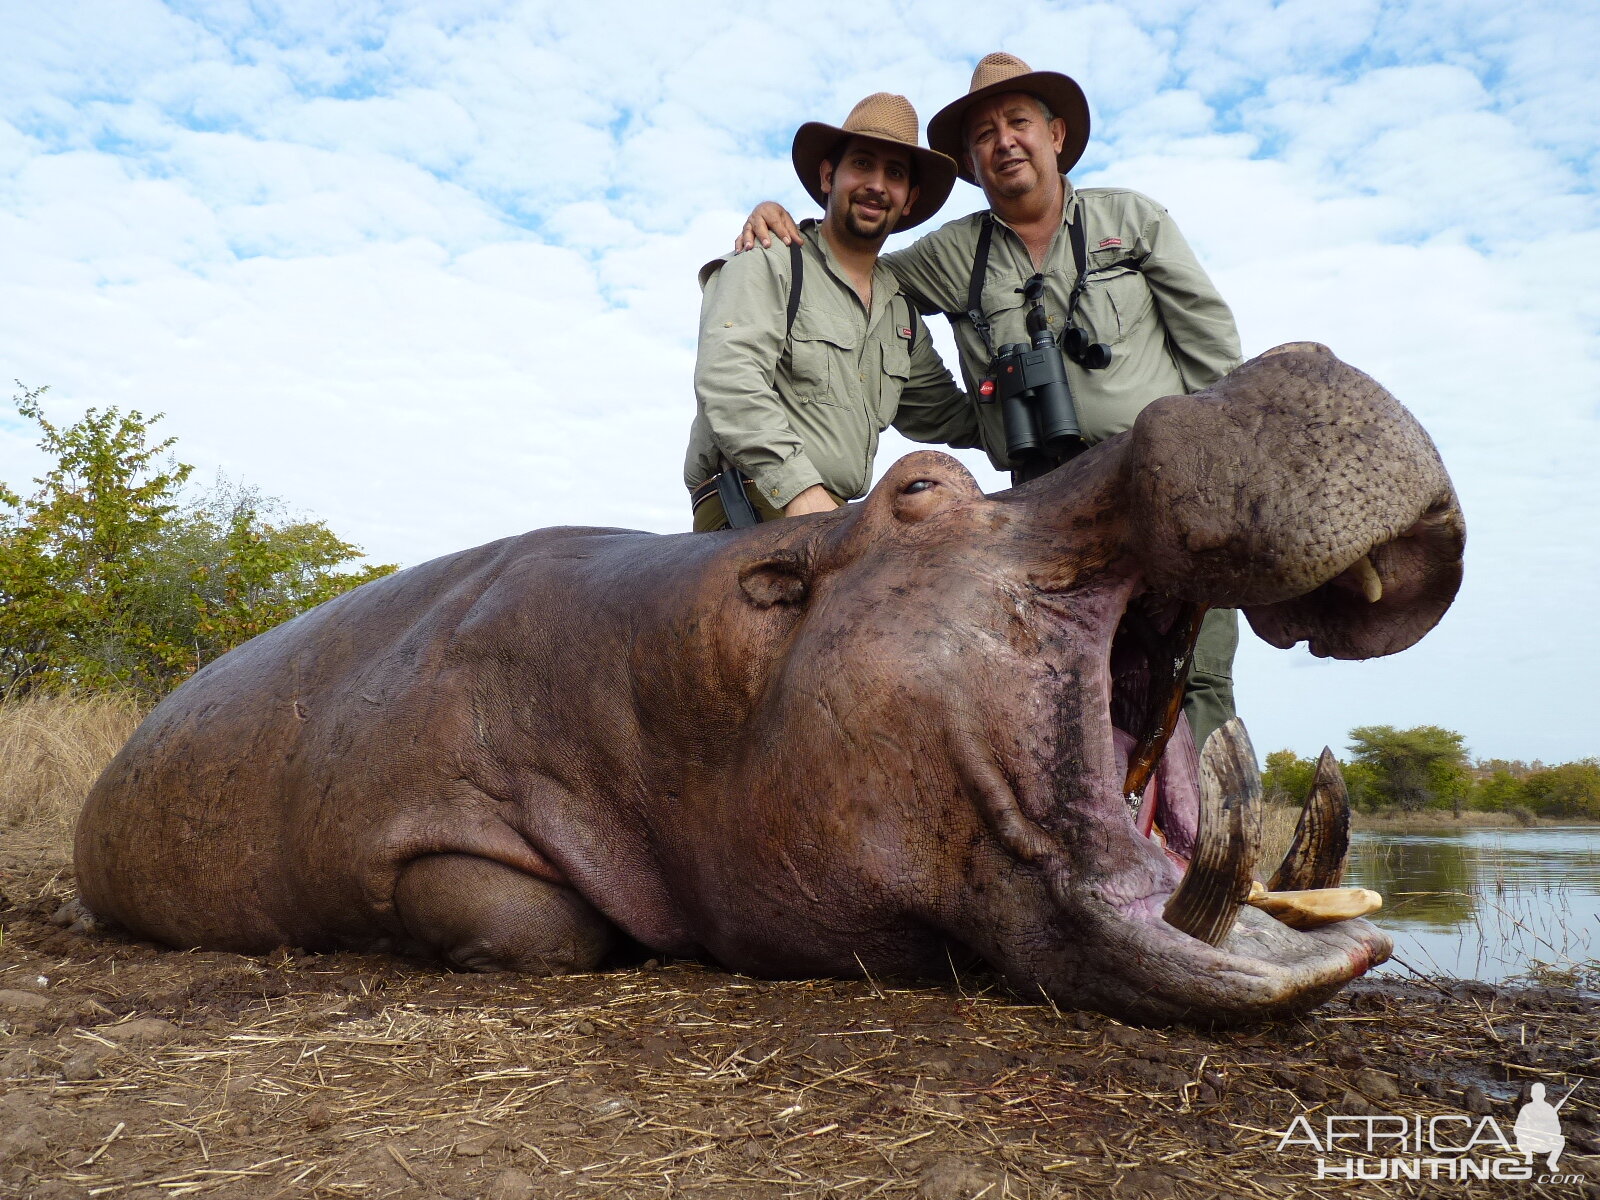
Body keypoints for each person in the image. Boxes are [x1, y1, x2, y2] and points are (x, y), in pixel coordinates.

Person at [738, 54, 1243, 748]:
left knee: (1198, 676)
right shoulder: (953, 255)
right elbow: (854, 267)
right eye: (983, 134)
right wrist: (785, 223)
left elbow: (1217, 358)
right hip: (1045, 503)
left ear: (1056, 135)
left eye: (1019, 122)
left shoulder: (1132, 219)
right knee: (1070, 682)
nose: (1003, 140)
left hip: (1167, 487)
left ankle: (1209, 846)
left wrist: (1223, 484)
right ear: (971, 164)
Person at [685, 93, 977, 531]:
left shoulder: (900, 314)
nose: (877, 184)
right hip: (754, 503)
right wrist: (800, 491)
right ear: (828, 175)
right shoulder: (770, 259)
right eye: (862, 164)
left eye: (894, 174)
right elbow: (728, 378)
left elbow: (947, 415)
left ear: (910, 198)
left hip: (833, 519)